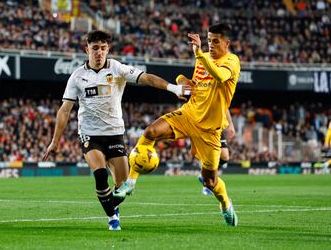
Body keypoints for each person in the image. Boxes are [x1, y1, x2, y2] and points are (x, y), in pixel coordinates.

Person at [42, 30, 192, 231]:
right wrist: (54, 141)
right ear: (87, 49)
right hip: (90, 134)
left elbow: (146, 78)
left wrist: (174, 89)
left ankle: (112, 207)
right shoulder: (77, 77)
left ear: (108, 49)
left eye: (103, 48)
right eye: (95, 48)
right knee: (100, 175)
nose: (99, 52)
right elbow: (64, 111)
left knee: (122, 188)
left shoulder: (117, 68)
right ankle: (112, 217)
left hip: (114, 134)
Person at [115, 23, 241, 226]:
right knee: (150, 132)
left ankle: (225, 204)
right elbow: (196, 84)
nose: (211, 45)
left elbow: (219, 76)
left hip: (209, 130)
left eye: (216, 41)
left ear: (227, 42)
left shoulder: (232, 61)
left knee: (210, 180)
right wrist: (182, 81)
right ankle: (130, 182)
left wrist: (199, 54)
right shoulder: (203, 58)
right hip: (188, 115)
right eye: (209, 41)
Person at [198, 109, 235, 195]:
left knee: (225, 157)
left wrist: (230, 124)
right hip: (202, 123)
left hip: (216, 125)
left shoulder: (220, 96)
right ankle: (206, 184)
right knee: (210, 154)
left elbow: (225, 106)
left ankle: (204, 176)